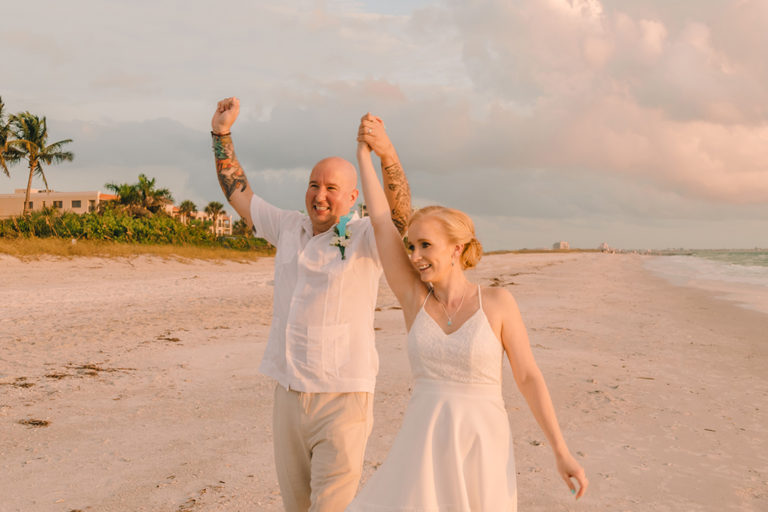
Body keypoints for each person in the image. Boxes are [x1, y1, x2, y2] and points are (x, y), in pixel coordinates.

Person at [346, 137, 589, 510]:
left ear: (456, 248)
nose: (414, 256)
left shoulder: (497, 303)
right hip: (422, 446)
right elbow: (381, 221)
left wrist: (561, 450)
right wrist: (365, 154)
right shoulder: (415, 299)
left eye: (426, 245)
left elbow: (528, 377)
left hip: (482, 445)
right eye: (411, 246)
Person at [210, 98, 412, 512]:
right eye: (313, 184)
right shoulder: (287, 227)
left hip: (343, 397)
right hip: (287, 394)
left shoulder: (365, 238)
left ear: (353, 196)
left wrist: (385, 153)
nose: (320, 196)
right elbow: (239, 193)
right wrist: (221, 134)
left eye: (331, 188)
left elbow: (400, 218)